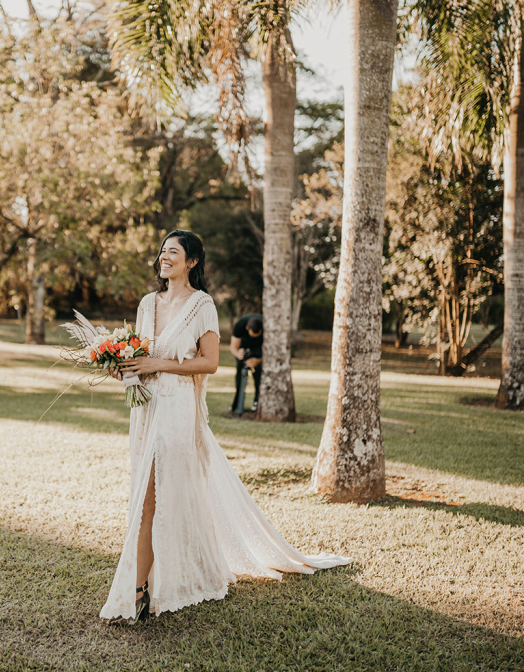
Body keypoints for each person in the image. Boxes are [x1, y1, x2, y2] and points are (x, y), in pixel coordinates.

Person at [101, 229, 352, 625]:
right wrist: (125, 368)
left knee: (166, 496)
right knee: (145, 498)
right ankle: (143, 587)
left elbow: (210, 362)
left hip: (178, 407)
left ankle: (142, 590)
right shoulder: (147, 303)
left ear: (192, 262)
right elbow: (141, 355)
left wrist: (156, 365)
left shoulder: (202, 305)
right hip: (146, 409)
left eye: (173, 252)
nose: (164, 257)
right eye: (162, 251)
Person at [230, 313, 263, 412]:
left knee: (259, 378)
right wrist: (238, 354)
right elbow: (233, 348)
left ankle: (257, 402)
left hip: (259, 349)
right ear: (247, 328)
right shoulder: (240, 325)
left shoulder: (266, 325)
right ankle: (236, 405)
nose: (254, 337)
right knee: (239, 379)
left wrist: (259, 360)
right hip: (243, 347)